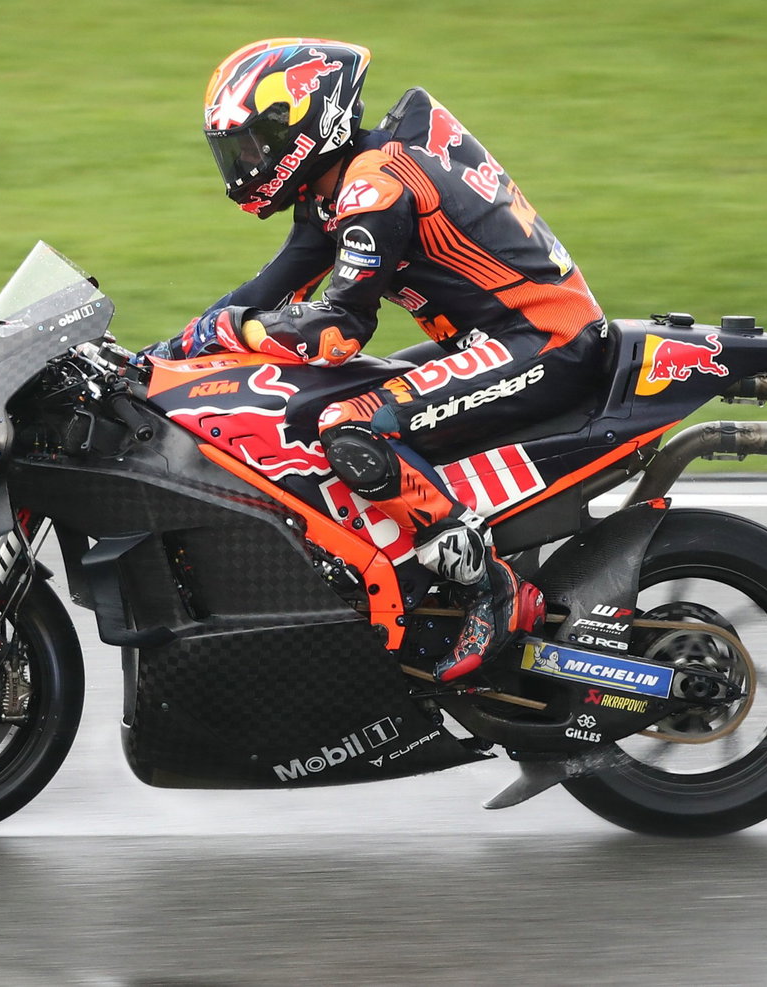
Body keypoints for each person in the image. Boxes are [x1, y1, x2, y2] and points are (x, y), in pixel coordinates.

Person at [146, 37, 608, 682]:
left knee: (350, 423)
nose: (244, 164)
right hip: (494, 340)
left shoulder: (375, 187)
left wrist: (233, 330)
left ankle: (488, 586)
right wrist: (158, 356)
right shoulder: (335, 186)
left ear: (304, 125)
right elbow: (267, 290)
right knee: (310, 407)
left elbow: (339, 332)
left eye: (252, 145)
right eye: (235, 151)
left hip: (545, 340)